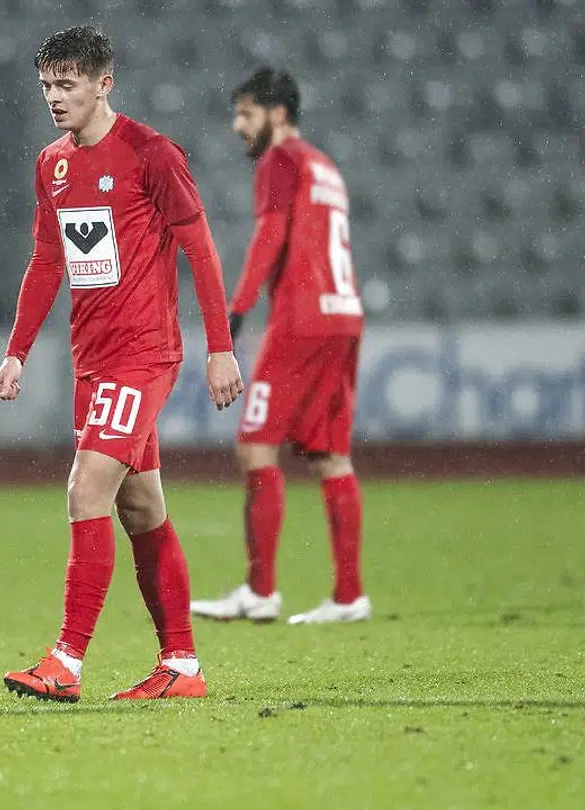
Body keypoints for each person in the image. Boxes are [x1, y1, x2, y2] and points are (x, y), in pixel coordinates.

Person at [0, 27, 243, 702]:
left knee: (85, 491)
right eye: (46, 85)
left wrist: (221, 347)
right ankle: (182, 666)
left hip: (142, 354)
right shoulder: (52, 164)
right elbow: (48, 263)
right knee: (142, 509)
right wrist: (17, 351)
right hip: (93, 361)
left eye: (66, 84)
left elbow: (201, 250)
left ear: (105, 83)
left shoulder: (152, 154)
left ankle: (66, 661)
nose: (54, 97)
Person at [190, 68, 369, 625]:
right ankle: (348, 596)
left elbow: (271, 237)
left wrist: (235, 311)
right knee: (331, 455)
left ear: (278, 114)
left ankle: (261, 590)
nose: (237, 125)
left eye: (247, 113)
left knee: (255, 446)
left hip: (302, 321)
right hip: (344, 316)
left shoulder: (282, 161)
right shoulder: (326, 167)